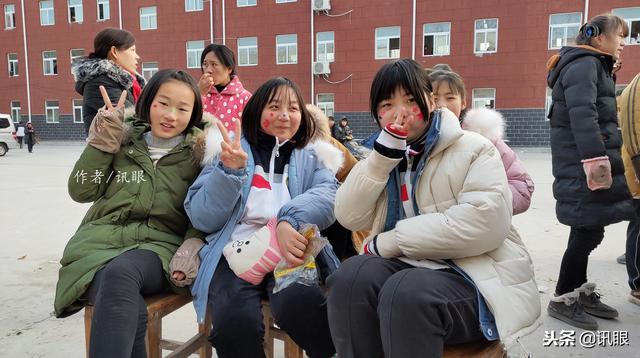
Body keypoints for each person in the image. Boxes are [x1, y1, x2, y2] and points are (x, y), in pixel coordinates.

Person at [327, 59, 540, 358]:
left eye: (411, 100)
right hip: (407, 271)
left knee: (405, 293)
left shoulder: (475, 148)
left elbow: (485, 225)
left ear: (430, 100)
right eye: (388, 104)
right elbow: (348, 215)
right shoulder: (382, 156)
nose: (400, 112)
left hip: (473, 276)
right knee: (349, 280)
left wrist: (390, 240)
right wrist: (380, 161)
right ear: (377, 113)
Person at [54, 69, 206, 358]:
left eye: (182, 108)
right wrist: (102, 143)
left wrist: (193, 241)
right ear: (148, 102)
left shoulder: (198, 154)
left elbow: (207, 209)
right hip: (98, 246)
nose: (170, 115)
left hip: (157, 248)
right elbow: (81, 191)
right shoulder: (123, 139)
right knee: (124, 301)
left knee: (121, 274)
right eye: (163, 103)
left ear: (194, 113)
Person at [181, 77, 338, 358]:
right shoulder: (229, 150)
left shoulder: (314, 155)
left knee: (300, 304)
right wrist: (228, 173)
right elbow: (201, 217)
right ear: (255, 112)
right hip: (233, 253)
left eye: (292, 108)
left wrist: (288, 220)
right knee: (233, 321)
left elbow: (329, 197)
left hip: (290, 250)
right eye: (273, 106)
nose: (284, 115)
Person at [546, 14, 632, 330]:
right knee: (588, 230)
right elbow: (584, 116)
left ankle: (578, 291)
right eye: (620, 35)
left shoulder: (592, 65)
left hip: (583, 163)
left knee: (586, 226)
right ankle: (561, 298)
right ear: (598, 39)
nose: (624, 41)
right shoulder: (584, 66)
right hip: (584, 166)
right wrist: (597, 164)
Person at [429, 69, 535, 215]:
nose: (442, 105)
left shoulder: (484, 137)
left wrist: (487, 202)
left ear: (464, 102)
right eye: (434, 99)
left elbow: (520, 187)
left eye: (450, 98)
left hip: (476, 229)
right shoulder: (412, 143)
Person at [73, 28, 144, 136]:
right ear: (114, 51)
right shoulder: (100, 83)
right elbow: (133, 122)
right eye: (132, 50)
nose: (137, 56)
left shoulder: (127, 82)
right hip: (111, 151)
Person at [198, 43, 252, 138]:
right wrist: (199, 94)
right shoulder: (198, 93)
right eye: (205, 64)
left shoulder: (245, 98)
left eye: (214, 64)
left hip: (233, 151)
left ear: (229, 68)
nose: (208, 70)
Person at [619, 72, 640, 305]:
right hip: (637, 167)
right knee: (639, 225)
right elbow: (634, 136)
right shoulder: (637, 85)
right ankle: (637, 283)